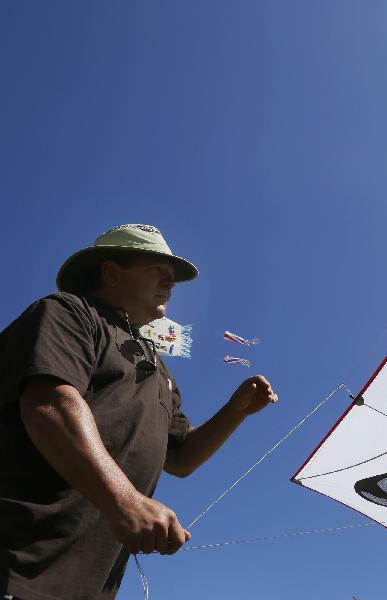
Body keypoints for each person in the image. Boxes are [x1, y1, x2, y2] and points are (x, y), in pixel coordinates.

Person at [0, 224, 277, 600]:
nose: (169, 282)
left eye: (173, 278)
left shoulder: (159, 369)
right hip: (20, 560)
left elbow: (180, 458)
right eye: (157, 270)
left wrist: (235, 411)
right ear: (111, 272)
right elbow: (49, 402)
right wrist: (125, 500)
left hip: (90, 582)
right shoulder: (69, 312)